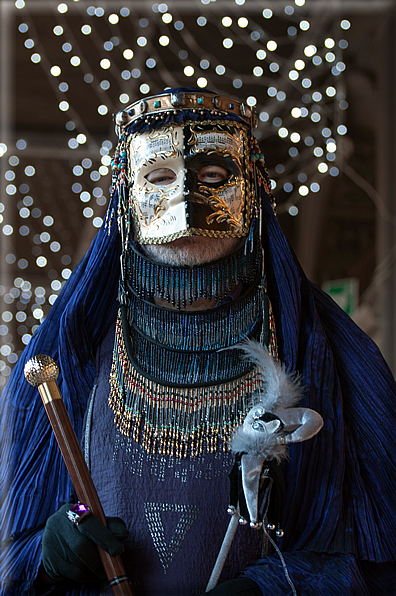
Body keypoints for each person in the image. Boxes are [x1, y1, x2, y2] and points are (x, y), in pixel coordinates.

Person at [1, 87, 395, 596]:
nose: (187, 202)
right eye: (160, 177)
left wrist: (273, 589)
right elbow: (9, 553)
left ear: (252, 189)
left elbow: (381, 558)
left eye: (213, 176)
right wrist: (47, 553)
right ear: (126, 193)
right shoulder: (63, 361)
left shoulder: (336, 359)